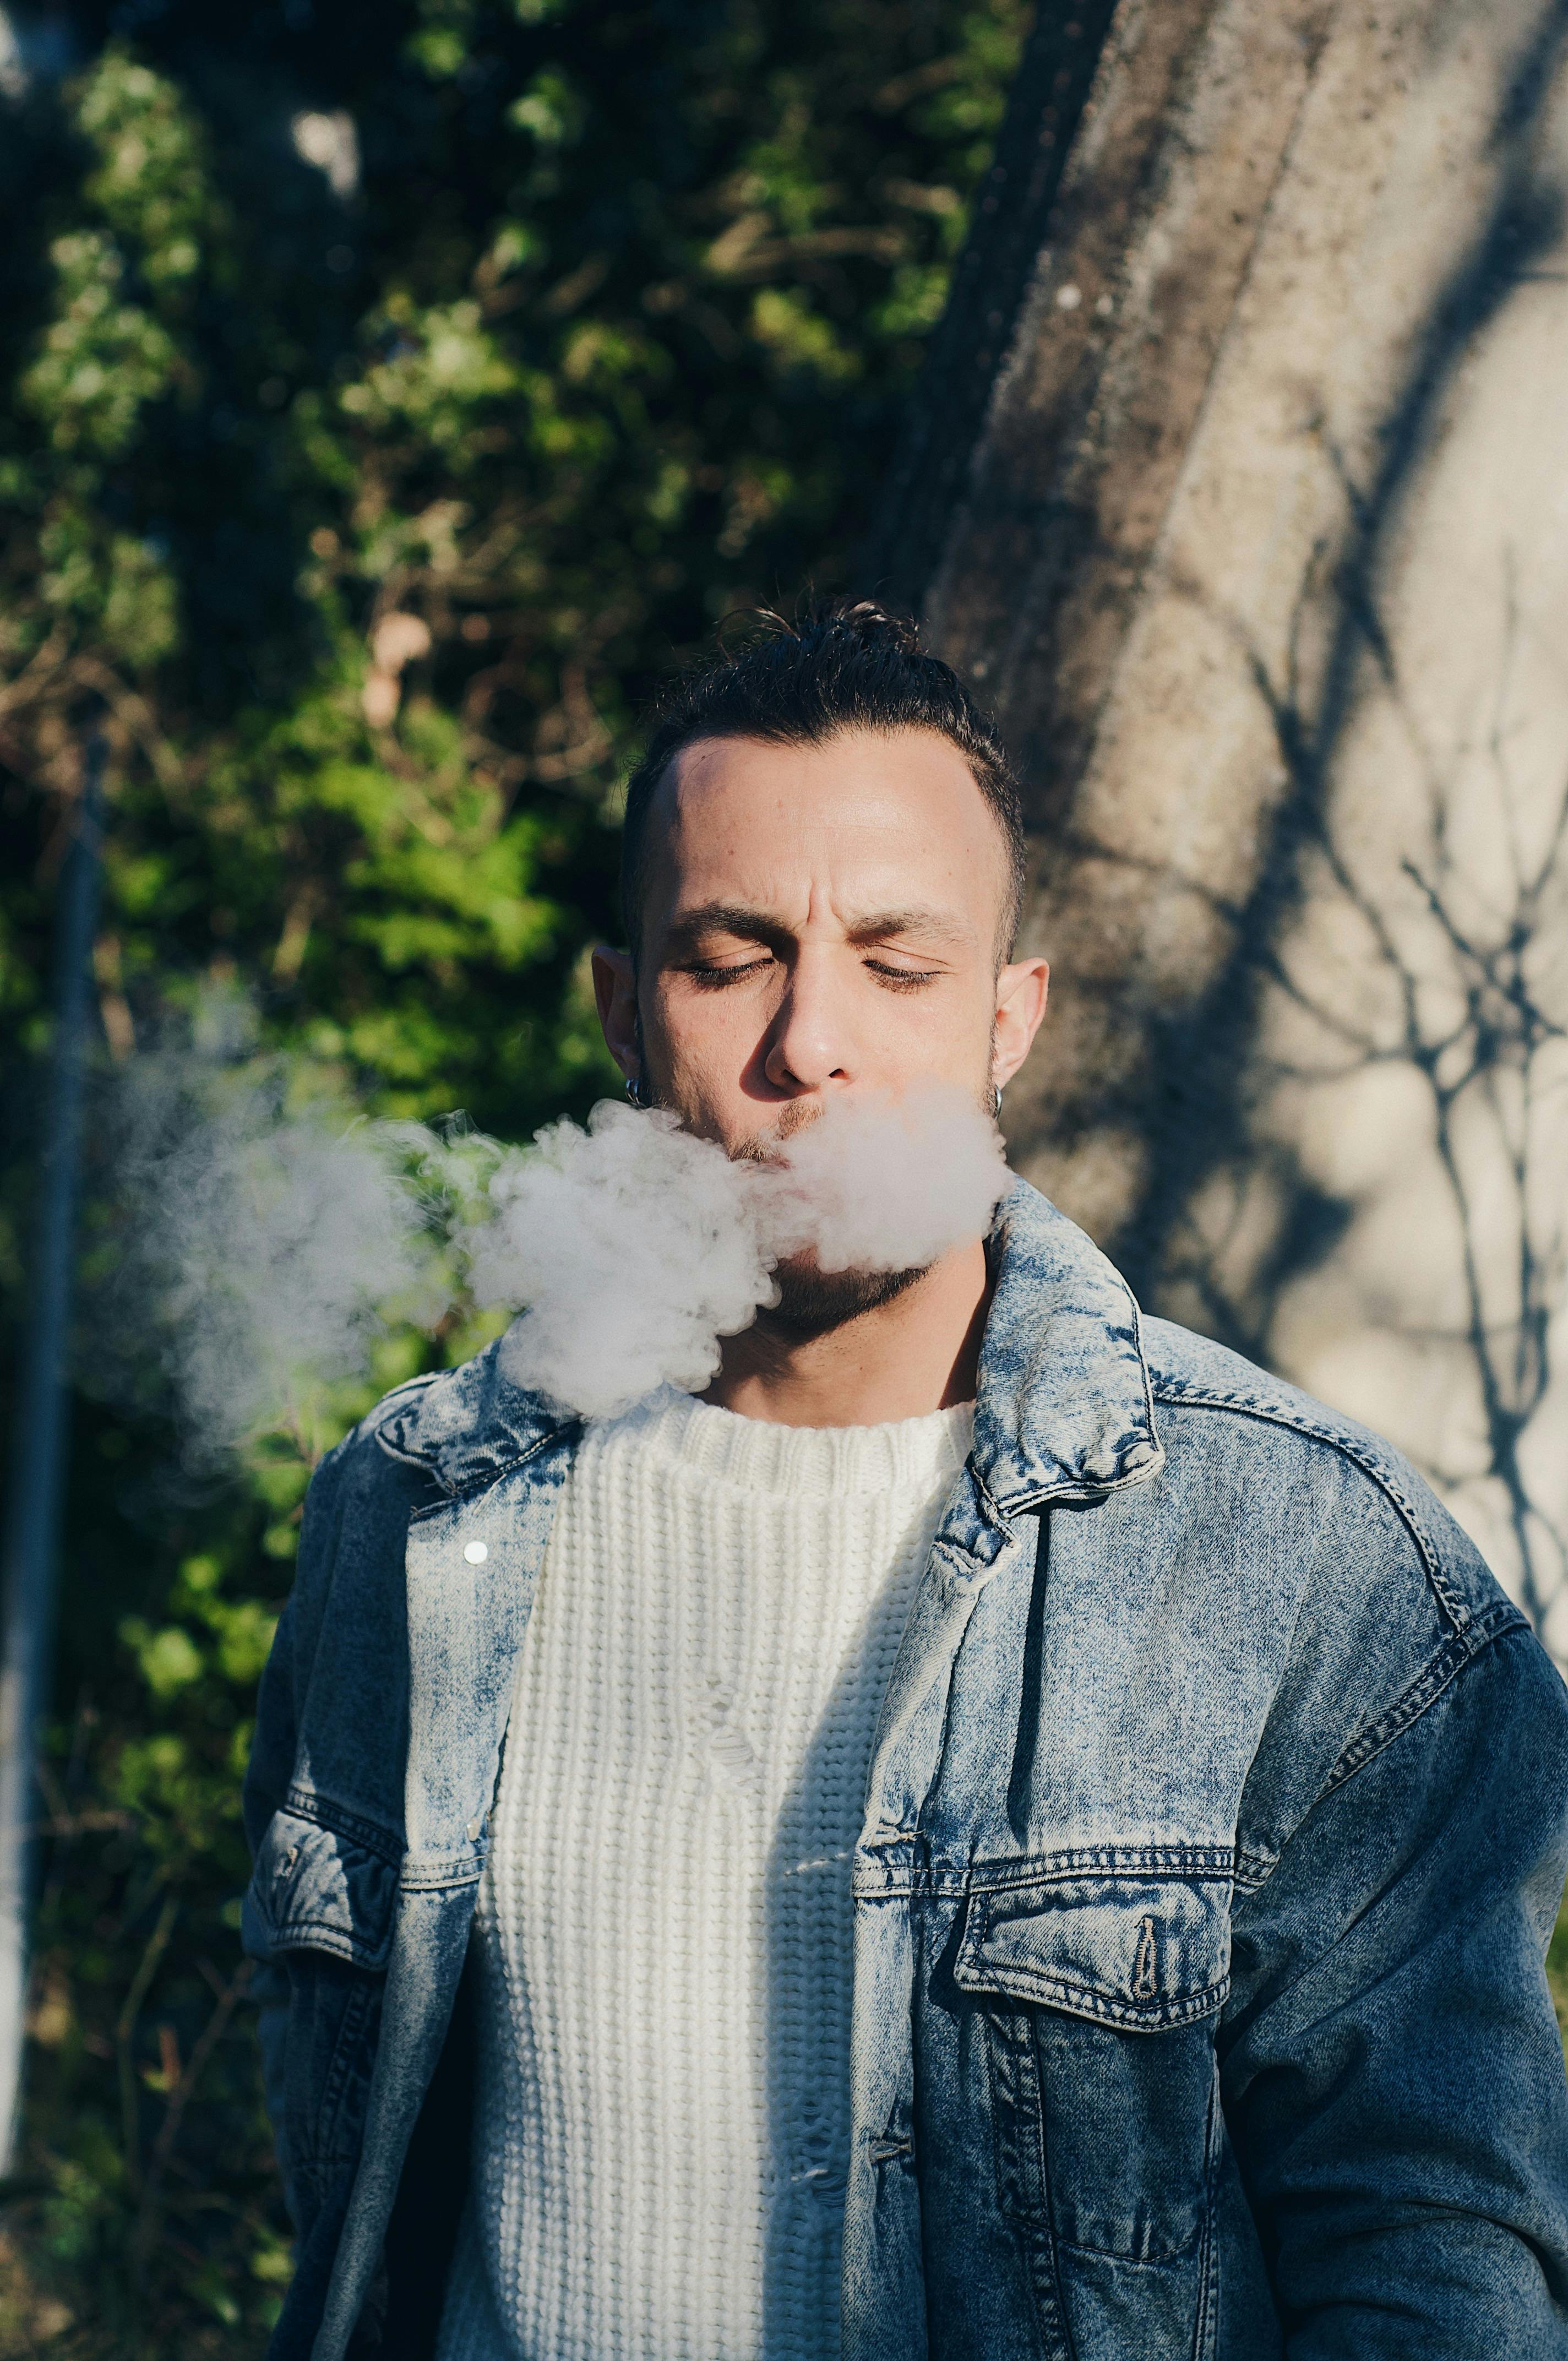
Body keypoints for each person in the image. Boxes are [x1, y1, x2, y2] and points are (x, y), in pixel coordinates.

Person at [243, 601, 1568, 2361]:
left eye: (897, 959)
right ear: (625, 1015)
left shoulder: (1307, 1557)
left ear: (1010, 1018)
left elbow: (1438, 2261)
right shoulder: (412, 1522)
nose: (814, 1045)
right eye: (731, 958)